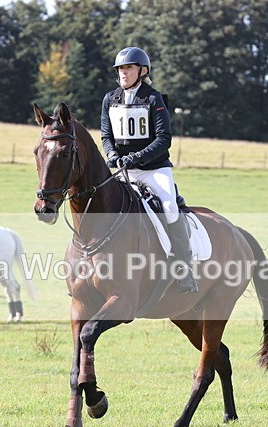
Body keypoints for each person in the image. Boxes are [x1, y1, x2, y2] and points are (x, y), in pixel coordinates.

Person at [100, 46, 198, 293]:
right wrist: (112, 153)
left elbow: (164, 138)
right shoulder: (110, 99)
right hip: (124, 170)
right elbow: (106, 134)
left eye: (129, 68)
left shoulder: (154, 99)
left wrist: (136, 157)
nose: (123, 73)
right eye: (121, 68)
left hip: (154, 170)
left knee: (170, 208)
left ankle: (184, 270)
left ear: (142, 71)